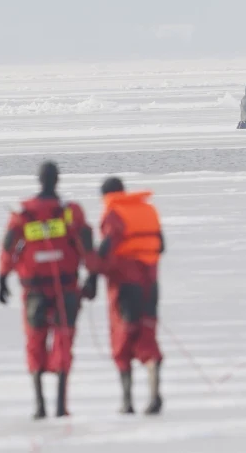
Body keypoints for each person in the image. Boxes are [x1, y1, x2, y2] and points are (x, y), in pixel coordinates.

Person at [0, 161, 95, 419]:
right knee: (63, 342)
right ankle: (61, 406)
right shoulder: (70, 212)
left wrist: (2, 277)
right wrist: (93, 277)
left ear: (39, 180)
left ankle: (40, 406)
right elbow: (86, 244)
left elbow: (8, 247)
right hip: (66, 289)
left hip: (35, 291)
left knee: (35, 343)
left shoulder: (23, 213)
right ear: (57, 180)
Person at [82, 177, 165, 415]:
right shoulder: (148, 210)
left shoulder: (114, 214)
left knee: (123, 339)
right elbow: (161, 246)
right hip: (151, 285)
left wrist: (92, 278)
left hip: (125, 286)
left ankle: (127, 402)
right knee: (146, 334)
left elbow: (106, 248)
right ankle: (154, 390)